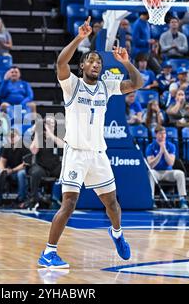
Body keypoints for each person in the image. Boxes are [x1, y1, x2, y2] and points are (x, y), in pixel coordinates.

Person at [38, 17, 143, 269]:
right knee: (69, 203)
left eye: (99, 62)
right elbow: (61, 62)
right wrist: (79, 38)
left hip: (98, 154)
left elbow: (138, 83)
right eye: (91, 61)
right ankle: (48, 252)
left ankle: (117, 233)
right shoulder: (71, 84)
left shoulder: (107, 86)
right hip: (75, 152)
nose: (96, 64)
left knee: (113, 204)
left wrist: (126, 62)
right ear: (83, 65)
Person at [146, 126, 189, 209]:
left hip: (168, 172)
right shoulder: (150, 147)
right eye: (160, 134)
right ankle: (151, 199)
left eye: (164, 133)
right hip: (156, 172)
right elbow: (151, 165)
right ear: (156, 134)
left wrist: (164, 150)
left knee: (180, 173)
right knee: (150, 173)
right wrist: (159, 154)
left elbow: (171, 162)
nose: (163, 136)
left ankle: (182, 199)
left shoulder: (171, 146)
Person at [26, 116, 64, 209]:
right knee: (35, 172)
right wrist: (37, 133)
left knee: (67, 172)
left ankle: (63, 200)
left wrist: (50, 134)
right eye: (48, 123)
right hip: (42, 167)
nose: (51, 125)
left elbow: (63, 146)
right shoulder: (39, 136)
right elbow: (34, 151)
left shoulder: (58, 135)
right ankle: (33, 199)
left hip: (55, 167)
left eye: (53, 124)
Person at [0, 128, 29, 208]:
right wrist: (2, 170)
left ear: (19, 137)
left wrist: (12, 170)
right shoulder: (6, 147)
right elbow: (2, 161)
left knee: (21, 174)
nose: (11, 138)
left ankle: (21, 200)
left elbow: (25, 164)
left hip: (21, 170)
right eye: (9, 136)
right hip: (9, 170)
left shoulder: (25, 146)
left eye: (13, 136)